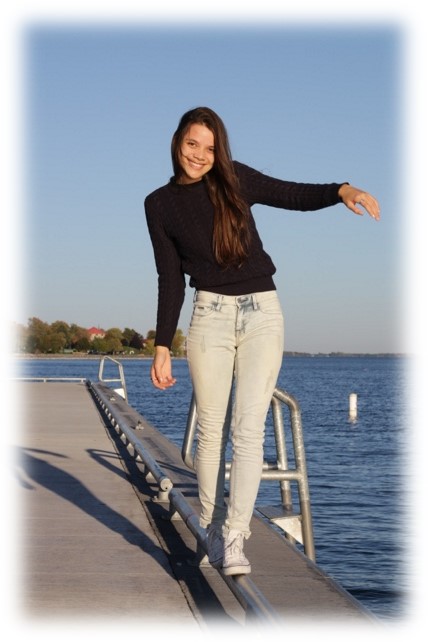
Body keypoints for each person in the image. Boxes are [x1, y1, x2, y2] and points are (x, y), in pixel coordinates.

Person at [144, 106, 380, 576]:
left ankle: (235, 537)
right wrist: (163, 343)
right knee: (211, 431)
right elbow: (169, 276)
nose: (200, 155)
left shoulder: (235, 179)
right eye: (192, 144)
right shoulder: (158, 204)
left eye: (210, 148)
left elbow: (290, 193)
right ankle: (210, 528)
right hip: (208, 315)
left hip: (262, 314)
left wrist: (341, 190)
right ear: (176, 142)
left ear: (220, 151)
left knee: (247, 430)